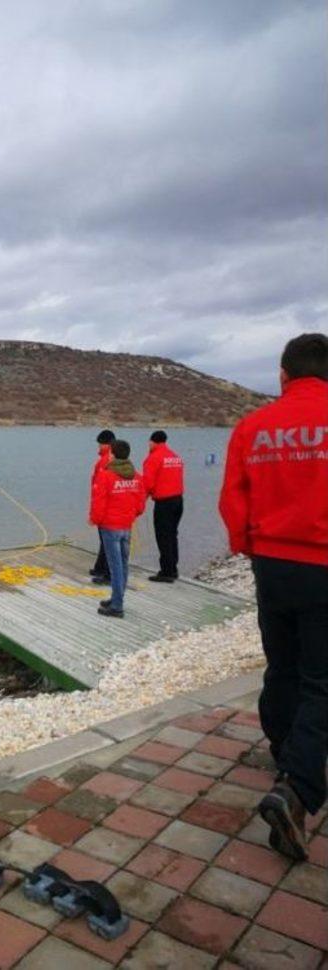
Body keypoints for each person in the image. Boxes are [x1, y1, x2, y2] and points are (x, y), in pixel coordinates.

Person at [219, 332, 328, 861]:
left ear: (284, 376)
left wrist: (247, 546)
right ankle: (297, 787)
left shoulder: (252, 426)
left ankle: (285, 751)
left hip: (273, 567)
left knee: (282, 667)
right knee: (321, 681)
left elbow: (232, 496)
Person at [89, 439, 146, 618]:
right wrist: (131, 515)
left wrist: (94, 519)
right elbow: (140, 503)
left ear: (112, 454)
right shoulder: (136, 476)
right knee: (122, 563)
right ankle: (116, 597)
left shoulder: (106, 475)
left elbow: (99, 501)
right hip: (126, 525)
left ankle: (117, 606)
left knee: (115, 566)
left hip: (110, 526)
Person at [142, 430, 184, 582]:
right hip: (178, 501)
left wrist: (140, 503)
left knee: (163, 536)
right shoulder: (175, 457)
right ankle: (173, 568)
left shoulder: (153, 458)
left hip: (164, 503)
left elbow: (148, 484)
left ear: (153, 442)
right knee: (173, 534)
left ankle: (166, 571)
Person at [90, 429, 116, 585]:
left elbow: (101, 490)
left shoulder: (106, 461)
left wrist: (95, 514)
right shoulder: (107, 460)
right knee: (104, 540)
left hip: (106, 509)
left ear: (105, 445)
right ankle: (100, 567)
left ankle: (107, 572)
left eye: (100, 444)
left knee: (107, 541)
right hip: (106, 508)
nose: (98, 447)